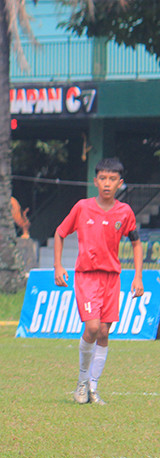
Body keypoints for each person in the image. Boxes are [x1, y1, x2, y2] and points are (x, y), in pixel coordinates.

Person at [53, 157, 144, 405]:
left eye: (112, 179)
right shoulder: (82, 207)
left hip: (112, 279)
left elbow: (136, 243)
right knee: (92, 327)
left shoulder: (124, 212)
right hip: (87, 276)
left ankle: (93, 388)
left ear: (120, 183)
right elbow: (60, 233)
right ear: (95, 181)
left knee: (104, 332)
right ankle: (82, 383)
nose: (107, 183)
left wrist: (138, 276)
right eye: (102, 178)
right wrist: (58, 266)